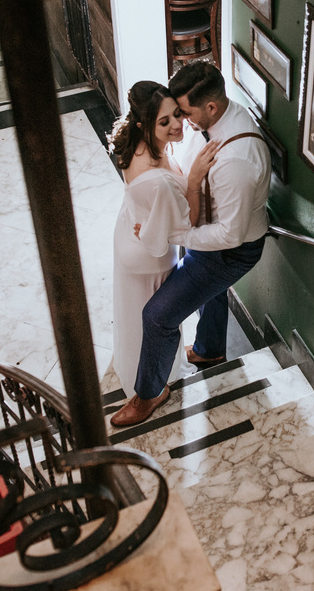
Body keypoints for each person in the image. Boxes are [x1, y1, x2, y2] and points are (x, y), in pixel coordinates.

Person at [110, 61, 271, 427]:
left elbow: (228, 236)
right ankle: (209, 350)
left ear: (210, 107)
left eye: (184, 113)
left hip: (228, 251)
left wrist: (178, 235)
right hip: (207, 233)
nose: (181, 121)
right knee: (209, 291)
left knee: (158, 317)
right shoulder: (216, 119)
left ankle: (149, 394)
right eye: (172, 114)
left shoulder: (235, 163)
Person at [107, 81, 219, 398]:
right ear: (144, 124)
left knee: (134, 315)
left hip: (131, 234)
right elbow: (189, 222)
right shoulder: (156, 180)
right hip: (149, 255)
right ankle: (152, 382)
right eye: (164, 121)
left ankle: (144, 369)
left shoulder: (142, 143)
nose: (176, 125)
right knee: (155, 320)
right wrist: (194, 179)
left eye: (177, 115)